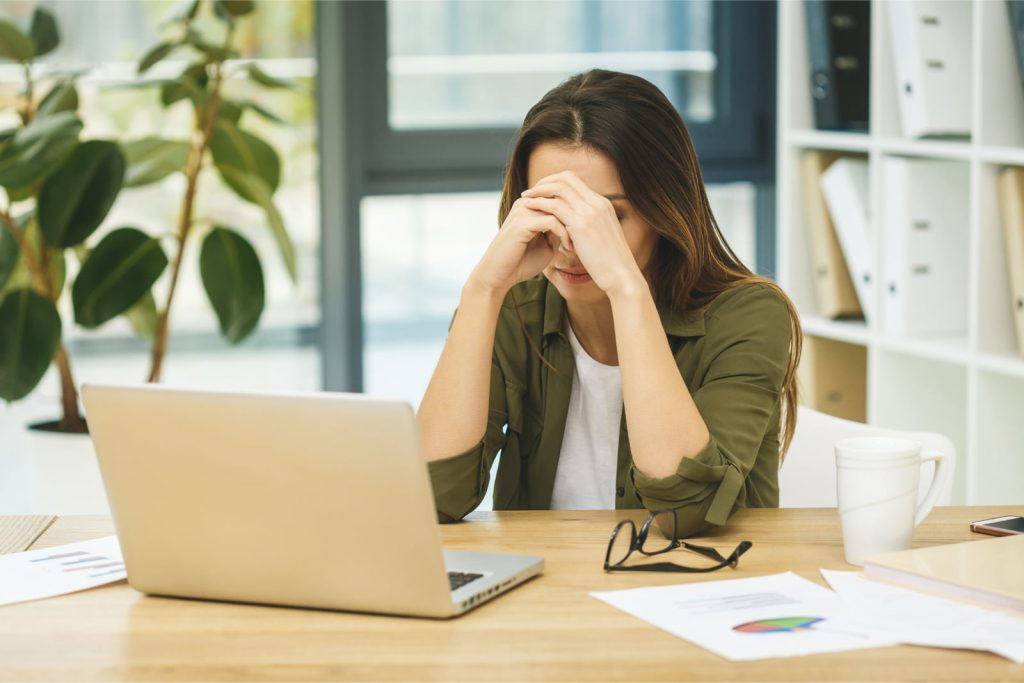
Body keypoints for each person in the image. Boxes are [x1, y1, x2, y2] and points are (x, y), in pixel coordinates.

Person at [417, 69, 802, 538]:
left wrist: (625, 287)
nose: (570, 244)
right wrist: (483, 290)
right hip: (550, 593)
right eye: (552, 211)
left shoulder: (748, 314)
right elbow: (432, 500)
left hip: (700, 590)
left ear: (665, 209)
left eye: (606, 217)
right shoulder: (511, 309)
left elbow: (687, 513)